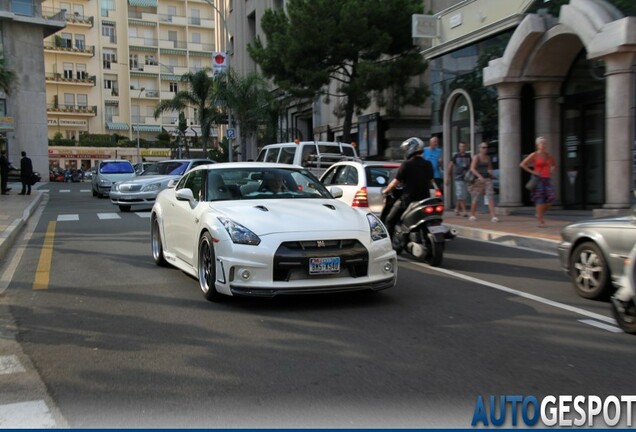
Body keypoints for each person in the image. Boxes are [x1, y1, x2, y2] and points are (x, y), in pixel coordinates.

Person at [382, 137, 435, 239]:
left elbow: (395, 182)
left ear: (410, 149)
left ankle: (389, 246)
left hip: (408, 200)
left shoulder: (406, 164)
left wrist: (386, 191)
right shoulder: (428, 164)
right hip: (425, 200)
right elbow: (432, 182)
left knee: (390, 220)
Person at [520, 136, 556, 227]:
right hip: (538, 179)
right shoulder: (534, 155)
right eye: (542, 143)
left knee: (551, 198)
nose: (544, 145)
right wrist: (532, 171)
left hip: (547, 179)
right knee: (540, 199)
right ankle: (540, 221)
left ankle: (539, 213)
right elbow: (522, 164)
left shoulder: (548, 155)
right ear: (538, 145)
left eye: (545, 143)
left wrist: (551, 171)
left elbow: (554, 165)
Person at [468, 142, 499, 222]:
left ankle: (493, 216)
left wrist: (491, 174)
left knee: (490, 196)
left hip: (487, 179)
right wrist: (479, 176)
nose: (485, 149)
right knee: (476, 197)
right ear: (480, 148)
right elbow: (472, 168)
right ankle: (472, 215)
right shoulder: (476, 157)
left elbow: (489, 167)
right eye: (483, 147)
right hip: (478, 180)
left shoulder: (488, 157)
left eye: (486, 147)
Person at [445, 141, 471, 217]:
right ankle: (465, 211)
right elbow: (450, 166)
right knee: (460, 194)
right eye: (461, 146)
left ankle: (456, 208)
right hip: (458, 178)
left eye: (463, 146)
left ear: (465, 147)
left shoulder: (468, 156)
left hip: (466, 178)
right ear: (459, 147)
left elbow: (471, 166)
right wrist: (448, 177)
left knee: (463, 195)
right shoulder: (456, 156)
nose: (462, 148)